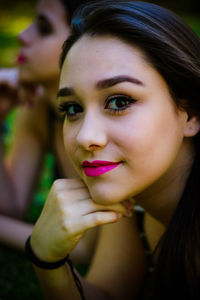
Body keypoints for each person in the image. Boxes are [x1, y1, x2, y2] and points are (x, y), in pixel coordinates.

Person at [27, 1, 200, 299]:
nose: (85, 136)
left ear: (190, 112)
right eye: (72, 108)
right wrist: (46, 259)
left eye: (119, 102)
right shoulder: (131, 196)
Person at [0, 0, 98, 264]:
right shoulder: (41, 109)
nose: (22, 35)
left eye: (43, 28)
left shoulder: (100, 128)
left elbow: (85, 248)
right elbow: (12, 207)